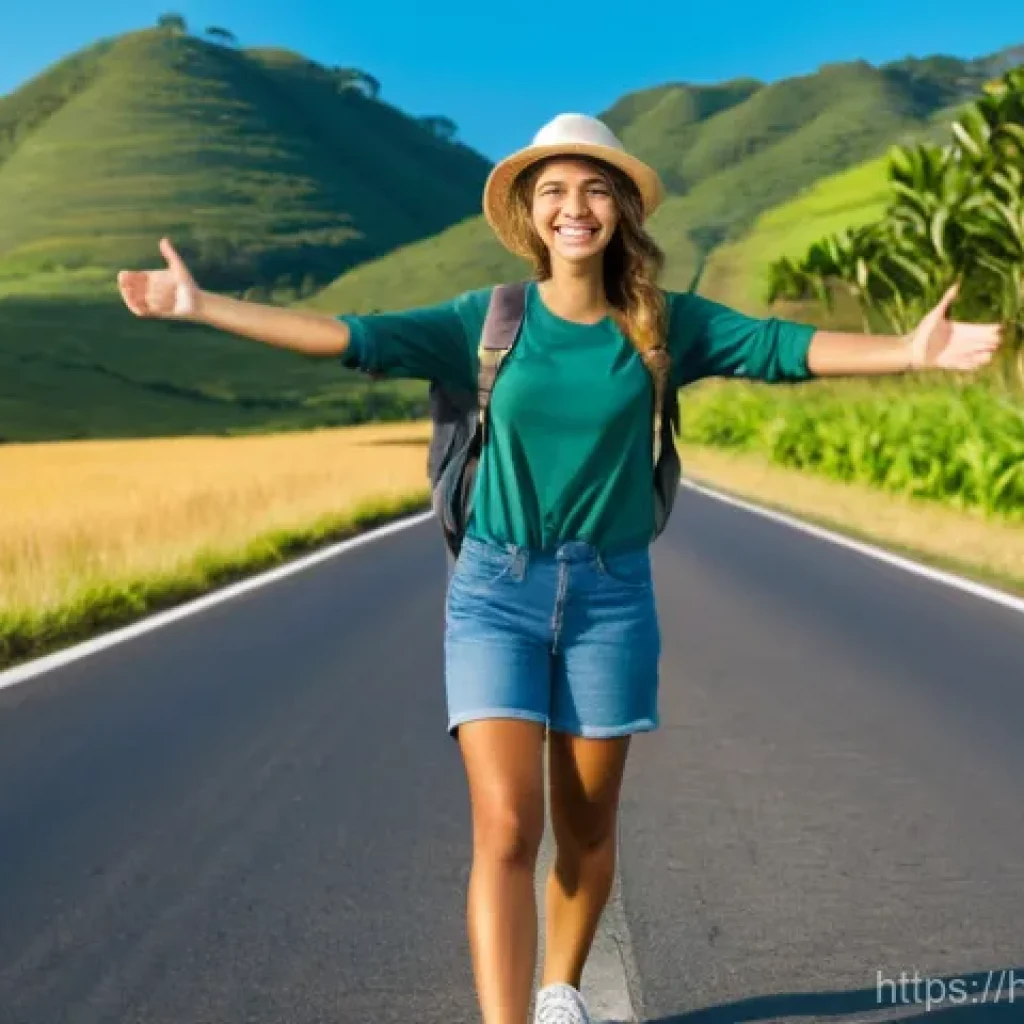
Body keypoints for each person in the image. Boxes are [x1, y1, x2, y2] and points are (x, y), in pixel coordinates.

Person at [117, 113, 1004, 1024]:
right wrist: (201, 306)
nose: (573, 208)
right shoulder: (486, 321)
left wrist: (908, 350)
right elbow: (350, 335)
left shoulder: (664, 324)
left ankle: (560, 990)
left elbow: (783, 350)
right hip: (496, 591)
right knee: (507, 825)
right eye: (553, 192)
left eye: (592, 190)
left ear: (620, 207)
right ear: (532, 216)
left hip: (611, 595)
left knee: (586, 831)